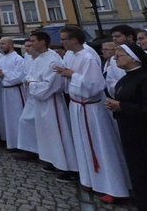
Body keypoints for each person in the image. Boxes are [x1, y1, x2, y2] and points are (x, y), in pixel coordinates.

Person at [56, 25, 131, 203]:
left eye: (64, 38)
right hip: (77, 105)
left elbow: (95, 86)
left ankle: (113, 187)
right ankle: (89, 178)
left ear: (74, 40)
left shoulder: (88, 57)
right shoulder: (70, 55)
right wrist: (66, 75)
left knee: (100, 145)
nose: (61, 42)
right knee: (82, 144)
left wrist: (72, 75)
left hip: (90, 107)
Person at [26, 31, 79, 183]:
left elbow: (51, 84)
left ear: (42, 42)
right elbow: (29, 76)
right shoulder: (38, 59)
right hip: (40, 100)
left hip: (52, 101)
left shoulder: (53, 60)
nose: (31, 44)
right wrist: (32, 82)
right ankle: (53, 160)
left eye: (33, 41)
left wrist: (33, 84)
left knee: (59, 133)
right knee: (46, 132)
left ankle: (69, 167)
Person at [105, 42, 147, 210]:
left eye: (119, 56)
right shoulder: (124, 79)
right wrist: (115, 106)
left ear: (134, 59)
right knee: (136, 169)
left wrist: (121, 106)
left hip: (145, 133)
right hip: (129, 131)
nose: (115, 58)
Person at [0, 37, 25, 151]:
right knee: (8, 118)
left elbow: (19, 76)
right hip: (5, 91)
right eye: (0, 44)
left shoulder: (18, 59)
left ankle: (22, 145)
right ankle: (11, 142)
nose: (1, 46)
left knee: (17, 117)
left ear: (11, 45)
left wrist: (3, 73)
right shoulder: (1, 59)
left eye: (3, 44)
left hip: (16, 92)